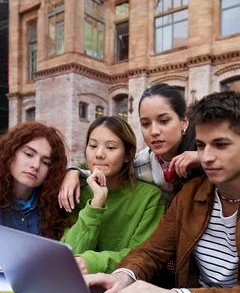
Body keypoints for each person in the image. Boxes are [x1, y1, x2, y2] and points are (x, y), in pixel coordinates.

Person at [85, 90, 240, 293]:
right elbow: (152, 251)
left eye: (220, 145)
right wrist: (121, 277)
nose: (206, 157)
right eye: (200, 146)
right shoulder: (191, 194)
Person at [58, 83, 201, 212]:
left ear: (184, 122)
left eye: (164, 121)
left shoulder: (204, 150)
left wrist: (203, 158)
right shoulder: (142, 163)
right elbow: (110, 169)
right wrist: (73, 173)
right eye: (145, 124)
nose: (154, 131)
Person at [61, 116, 164, 274]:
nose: (99, 154)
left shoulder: (150, 197)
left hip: (127, 290)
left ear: (128, 154)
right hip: (73, 287)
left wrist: (94, 262)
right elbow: (68, 253)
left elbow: (142, 256)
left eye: (110, 147)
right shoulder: (74, 191)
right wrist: (95, 204)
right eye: (93, 145)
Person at [0, 121, 69, 239]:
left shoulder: (53, 206)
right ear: (10, 152)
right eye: (28, 154)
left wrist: (74, 172)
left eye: (45, 162)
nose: (36, 165)